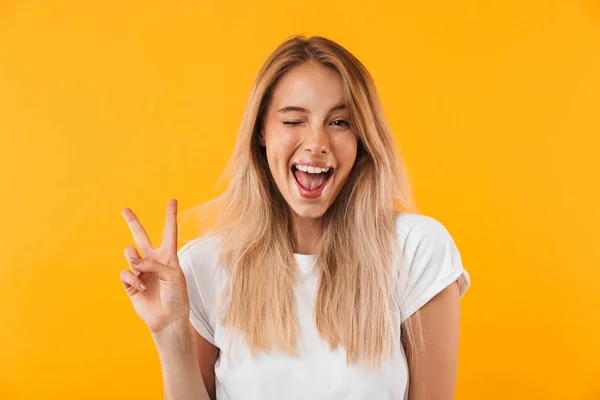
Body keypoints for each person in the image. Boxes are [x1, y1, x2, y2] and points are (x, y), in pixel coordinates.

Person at [119, 35, 470, 400]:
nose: (316, 142)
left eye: (339, 122)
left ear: (363, 138)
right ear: (261, 132)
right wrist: (170, 333)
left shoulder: (417, 249)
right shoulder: (203, 265)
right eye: (293, 120)